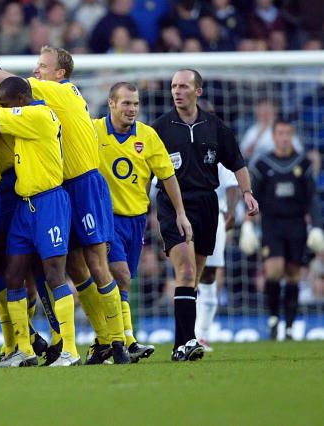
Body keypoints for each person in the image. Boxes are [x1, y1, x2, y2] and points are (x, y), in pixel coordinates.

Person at [0, 45, 130, 365]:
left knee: (89, 266)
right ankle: (35, 346)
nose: (36, 70)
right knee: (53, 269)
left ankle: (116, 340)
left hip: (72, 186)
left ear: (60, 74)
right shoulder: (37, 105)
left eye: (42, 65)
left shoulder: (51, 99)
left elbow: (7, 86)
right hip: (38, 197)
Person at [151, 69, 259, 362]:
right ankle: (185, 342)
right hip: (173, 204)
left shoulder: (214, 126)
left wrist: (247, 193)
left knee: (195, 277)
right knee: (184, 272)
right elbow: (143, 169)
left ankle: (182, 342)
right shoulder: (160, 127)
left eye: (184, 86)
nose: (177, 91)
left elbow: (237, 162)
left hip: (207, 204)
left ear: (197, 91)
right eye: (174, 86)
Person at [0, 76, 80, 367]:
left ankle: (70, 348)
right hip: (25, 204)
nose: (5, 111)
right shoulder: (27, 114)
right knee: (13, 274)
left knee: (55, 273)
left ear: (21, 100)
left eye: (8, 105)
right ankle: (23, 349)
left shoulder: (37, 114)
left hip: (49, 202)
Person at [93, 82, 192, 363]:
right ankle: (127, 340)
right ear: (111, 104)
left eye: (135, 104)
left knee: (123, 284)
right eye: (126, 103)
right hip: (105, 217)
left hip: (136, 220)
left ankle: (107, 341)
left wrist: (181, 213)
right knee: (120, 274)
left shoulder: (147, 136)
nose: (132, 109)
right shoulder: (94, 130)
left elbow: (168, 177)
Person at [243, 120, 324, 340]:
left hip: (296, 224)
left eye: (288, 133)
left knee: (293, 274)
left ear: (292, 135)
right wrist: (248, 224)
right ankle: (273, 318)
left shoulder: (303, 164)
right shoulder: (262, 164)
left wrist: (317, 226)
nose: (284, 138)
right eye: (280, 133)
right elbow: (252, 196)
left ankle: (288, 326)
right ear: (274, 136)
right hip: (272, 224)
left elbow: (312, 199)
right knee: (274, 269)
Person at [195, 164, 238, 351]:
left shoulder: (216, 147)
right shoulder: (178, 142)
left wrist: (232, 210)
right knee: (188, 274)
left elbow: (232, 183)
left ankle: (201, 335)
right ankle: (187, 336)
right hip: (183, 213)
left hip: (215, 215)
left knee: (209, 274)